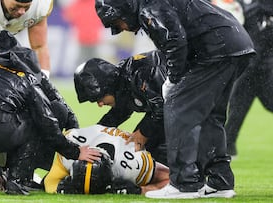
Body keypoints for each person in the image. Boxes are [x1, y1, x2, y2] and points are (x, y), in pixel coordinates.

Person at [94, 0, 256, 199]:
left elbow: (174, 40)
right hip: (235, 44)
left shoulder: (149, 9)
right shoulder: (154, 4)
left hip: (216, 49)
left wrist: (173, 79)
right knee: (210, 117)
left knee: (176, 106)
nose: (121, 28)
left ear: (123, 9)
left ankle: (184, 183)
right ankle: (219, 182)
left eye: (117, 21)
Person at [0, 30, 101, 195]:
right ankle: (17, 180)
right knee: (35, 123)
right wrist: (76, 151)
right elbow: (47, 120)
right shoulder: (26, 75)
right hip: (0, 129)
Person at [74, 51, 168, 166]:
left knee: (160, 152)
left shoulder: (142, 75)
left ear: (107, 87)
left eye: (99, 98)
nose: (100, 104)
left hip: (190, 103)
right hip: (176, 108)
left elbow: (167, 107)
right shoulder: (122, 82)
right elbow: (118, 112)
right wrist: (93, 136)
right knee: (141, 149)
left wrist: (144, 132)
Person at [44, 124, 170, 195]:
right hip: (91, 137)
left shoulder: (133, 165)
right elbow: (49, 182)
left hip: (140, 143)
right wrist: (60, 188)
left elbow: (171, 178)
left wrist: (142, 190)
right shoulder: (71, 146)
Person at [224, 0, 273, 156]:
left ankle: (227, 146)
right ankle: (226, 147)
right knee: (237, 107)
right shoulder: (244, 8)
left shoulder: (254, 8)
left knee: (240, 106)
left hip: (266, 66)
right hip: (249, 66)